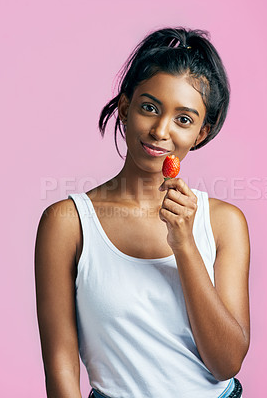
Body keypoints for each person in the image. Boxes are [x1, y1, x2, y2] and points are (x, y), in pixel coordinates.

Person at [35, 26, 250, 398]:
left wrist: (184, 244)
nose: (160, 130)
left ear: (201, 133)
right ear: (124, 108)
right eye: (149, 107)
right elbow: (61, 363)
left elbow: (227, 362)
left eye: (184, 119)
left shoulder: (224, 223)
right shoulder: (67, 223)